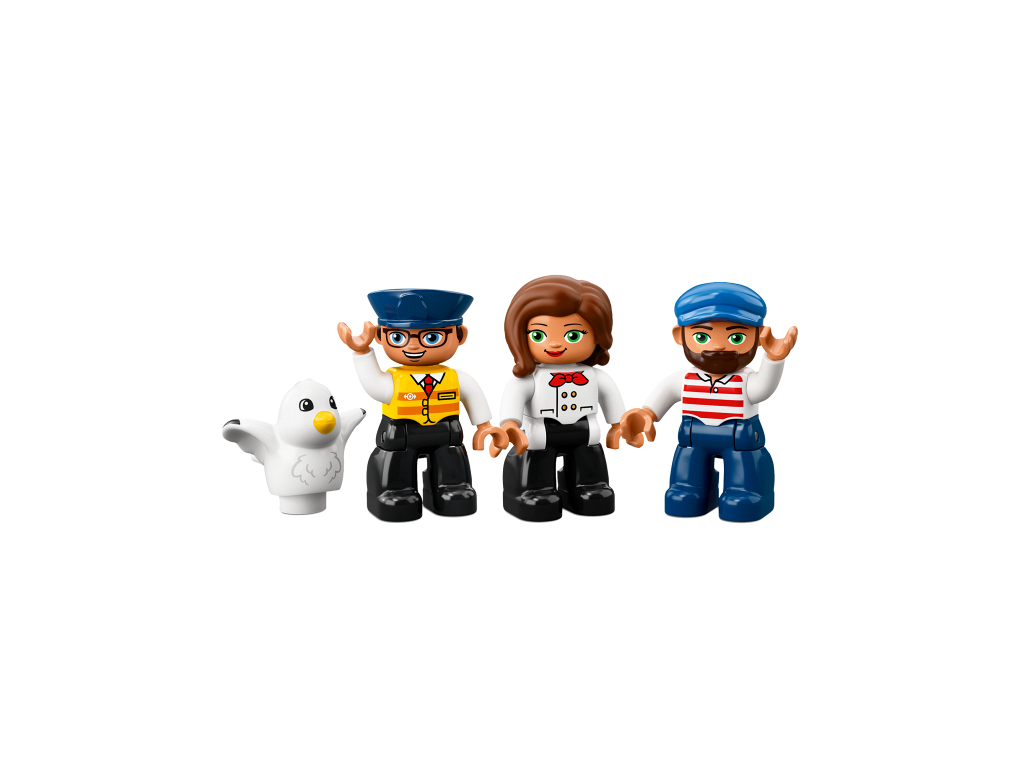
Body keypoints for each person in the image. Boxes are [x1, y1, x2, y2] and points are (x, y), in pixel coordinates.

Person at [618, 282, 798, 522]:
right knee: (688, 473)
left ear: (758, 337)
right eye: (702, 336)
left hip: (738, 439)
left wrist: (774, 359)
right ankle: (688, 489)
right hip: (693, 438)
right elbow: (663, 395)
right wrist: (646, 414)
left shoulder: (745, 381)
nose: (718, 346)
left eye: (736, 337)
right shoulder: (683, 379)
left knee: (744, 469)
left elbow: (763, 389)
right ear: (679, 336)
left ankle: (748, 492)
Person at [338, 289, 507, 522]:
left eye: (431, 337)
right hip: (401, 434)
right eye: (398, 338)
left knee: (451, 459)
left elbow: (473, 396)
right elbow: (373, 385)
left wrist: (484, 427)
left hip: (447, 433)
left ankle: (452, 487)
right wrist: (362, 351)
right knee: (396, 462)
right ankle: (394, 491)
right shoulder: (392, 380)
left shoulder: (457, 378)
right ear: (380, 336)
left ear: (460, 336)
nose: (414, 347)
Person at [492, 275, 643, 522]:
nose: (554, 344)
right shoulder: (528, 380)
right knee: (537, 463)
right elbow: (512, 402)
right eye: (538, 335)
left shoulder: (596, 376)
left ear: (598, 336)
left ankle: (589, 486)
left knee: (589, 460)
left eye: (573, 335)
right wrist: (510, 425)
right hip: (541, 432)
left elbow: (612, 401)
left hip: (585, 430)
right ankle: (535, 490)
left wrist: (620, 425)